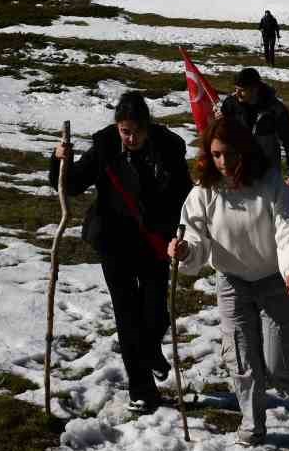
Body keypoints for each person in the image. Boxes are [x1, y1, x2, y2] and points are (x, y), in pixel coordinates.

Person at [171, 115, 289, 445]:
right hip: (231, 280)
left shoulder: (269, 182)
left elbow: (288, 227)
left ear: (245, 151)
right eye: (217, 154)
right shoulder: (204, 191)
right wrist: (184, 252)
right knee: (241, 356)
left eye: (231, 154)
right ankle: (253, 424)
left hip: (272, 280)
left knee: (278, 361)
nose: (224, 162)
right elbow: (196, 238)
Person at [54, 91, 193, 412]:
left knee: (155, 312)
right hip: (114, 241)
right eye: (124, 131)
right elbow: (72, 185)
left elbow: (184, 194)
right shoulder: (104, 146)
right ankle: (142, 390)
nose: (130, 138)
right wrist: (60, 160)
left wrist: (184, 231)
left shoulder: (169, 148)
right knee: (127, 315)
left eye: (136, 132)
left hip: (155, 241)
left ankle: (152, 351)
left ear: (148, 127)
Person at [220, 68, 289, 191]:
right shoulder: (231, 104)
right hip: (237, 168)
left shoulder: (275, 109)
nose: (237, 94)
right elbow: (219, 135)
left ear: (255, 89)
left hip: (267, 169)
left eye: (242, 91)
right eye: (236, 89)